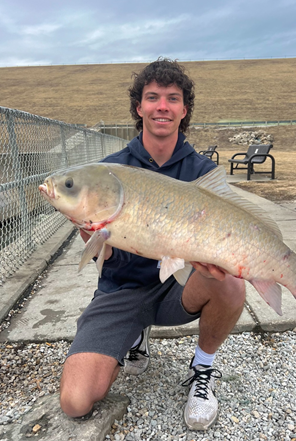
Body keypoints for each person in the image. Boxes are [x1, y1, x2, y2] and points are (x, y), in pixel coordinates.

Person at [60, 57, 246, 431]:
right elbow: (105, 262)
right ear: (138, 106)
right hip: (122, 290)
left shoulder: (203, 173)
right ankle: (133, 335)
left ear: (184, 110)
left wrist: (220, 260)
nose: (162, 106)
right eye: (153, 97)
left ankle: (202, 370)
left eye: (172, 98)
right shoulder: (109, 173)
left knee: (230, 281)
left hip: (178, 289)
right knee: (76, 401)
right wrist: (90, 235)